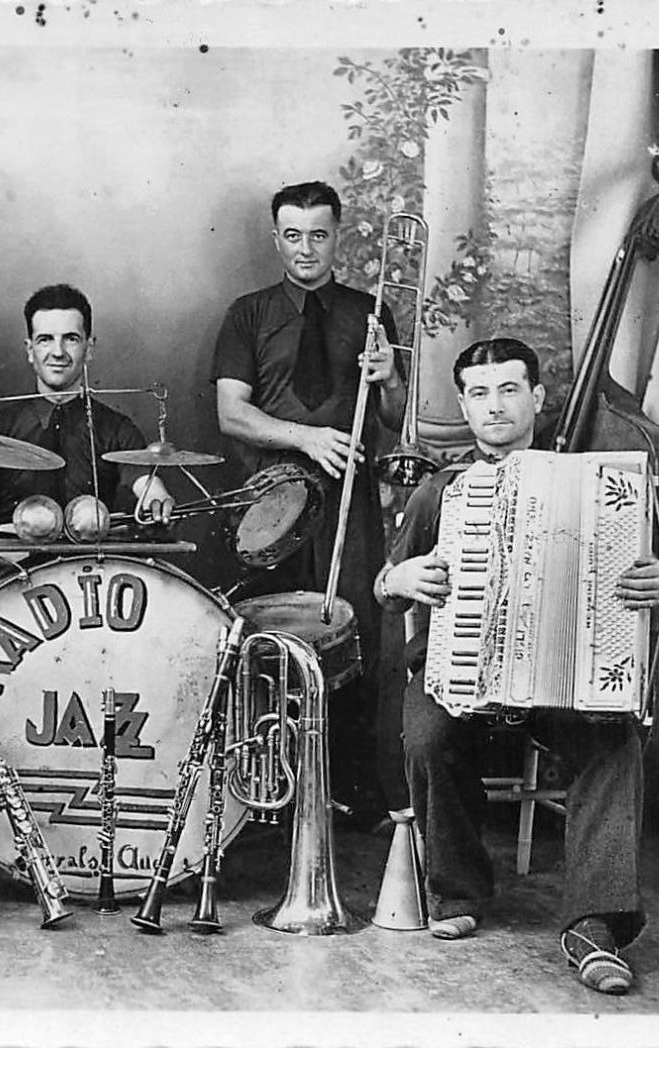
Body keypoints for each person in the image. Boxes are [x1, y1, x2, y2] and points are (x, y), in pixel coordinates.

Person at [375, 337, 659, 995]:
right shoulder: (438, 490)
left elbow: (641, 570)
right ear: (462, 404)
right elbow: (381, 584)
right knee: (427, 735)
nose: (494, 406)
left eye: (508, 389)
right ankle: (458, 891)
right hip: (455, 670)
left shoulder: (594, 485)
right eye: (478, 393)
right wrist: (401, 574)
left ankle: (592, 923)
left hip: (557, 677)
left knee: (613, 738)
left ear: (535, 397)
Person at [211, 180, 407, 821]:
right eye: (292, 235)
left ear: (337, 236)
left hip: (349, 496)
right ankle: (265, 795)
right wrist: (308, 438)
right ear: (276, 237)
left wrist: (390, 379)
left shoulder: (371, 313)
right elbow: (232, 415)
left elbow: (395, 418)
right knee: (267, 639)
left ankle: (349, 795)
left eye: (318, 235)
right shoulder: (249, 313)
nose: (305, 249)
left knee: (353, 635)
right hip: (271, 499)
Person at [0, 284, 175, 537]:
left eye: (71, 339)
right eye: (45, 340)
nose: (58, 352)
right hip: (17, 569)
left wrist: (159, 501)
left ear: (89, 348)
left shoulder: (117, 428)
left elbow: (147, 486)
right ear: (30, 350)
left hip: (95, 570)